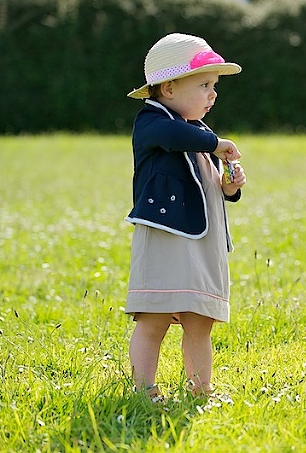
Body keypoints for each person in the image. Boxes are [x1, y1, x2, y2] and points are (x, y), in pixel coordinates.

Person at [124, 32, 246, 401]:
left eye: (215, 86)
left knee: (200, 320)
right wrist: (216, 144)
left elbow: (206, 178)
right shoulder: (152, 123)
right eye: (205, 84)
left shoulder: (198, 131)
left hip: (202, 242)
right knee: (154, 318)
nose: (214, 94)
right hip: (167, 235)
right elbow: (171, 136)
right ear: (170, 88)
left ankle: (201, 389)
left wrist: (230, 186)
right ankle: (145, 390)